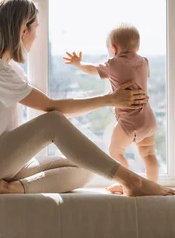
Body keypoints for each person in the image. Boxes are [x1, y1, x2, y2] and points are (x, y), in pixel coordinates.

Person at [0, 0, 175, 197]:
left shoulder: (9, 68)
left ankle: (13, 188)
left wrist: (111, 99)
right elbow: (50, 108)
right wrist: (110, 99)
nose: (36, 36)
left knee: (89, 167)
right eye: (35, 28)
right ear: (22, 30)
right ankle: (133, 181)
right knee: (53, 122)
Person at [64, 24, 159, 194]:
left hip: (130, 121)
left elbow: (93, 70)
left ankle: (127, 183)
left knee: (115, 152)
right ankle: (152, 185)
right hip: (148, 119)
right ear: (137, 47)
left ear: (113, 49)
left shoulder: (113, 63)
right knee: (149, 155)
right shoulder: (144, 62)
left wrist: (78, 63)